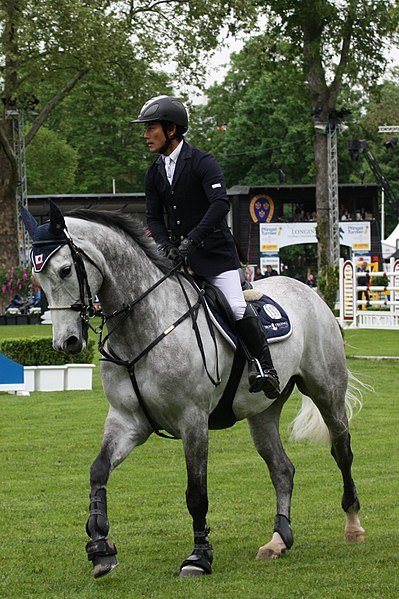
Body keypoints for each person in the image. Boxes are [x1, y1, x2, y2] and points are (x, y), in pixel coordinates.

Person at [132, 95, 280, 399]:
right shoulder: (154, 173)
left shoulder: (202, 162)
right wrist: (163, 244)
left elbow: (219, 205)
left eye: (151, 128)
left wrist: (191, 241)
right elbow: (152, 217)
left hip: (214, 255)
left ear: (171, 130)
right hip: (177, 259)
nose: (145, 135)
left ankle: (266, 368)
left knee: (236, 306)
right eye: (145, 129)